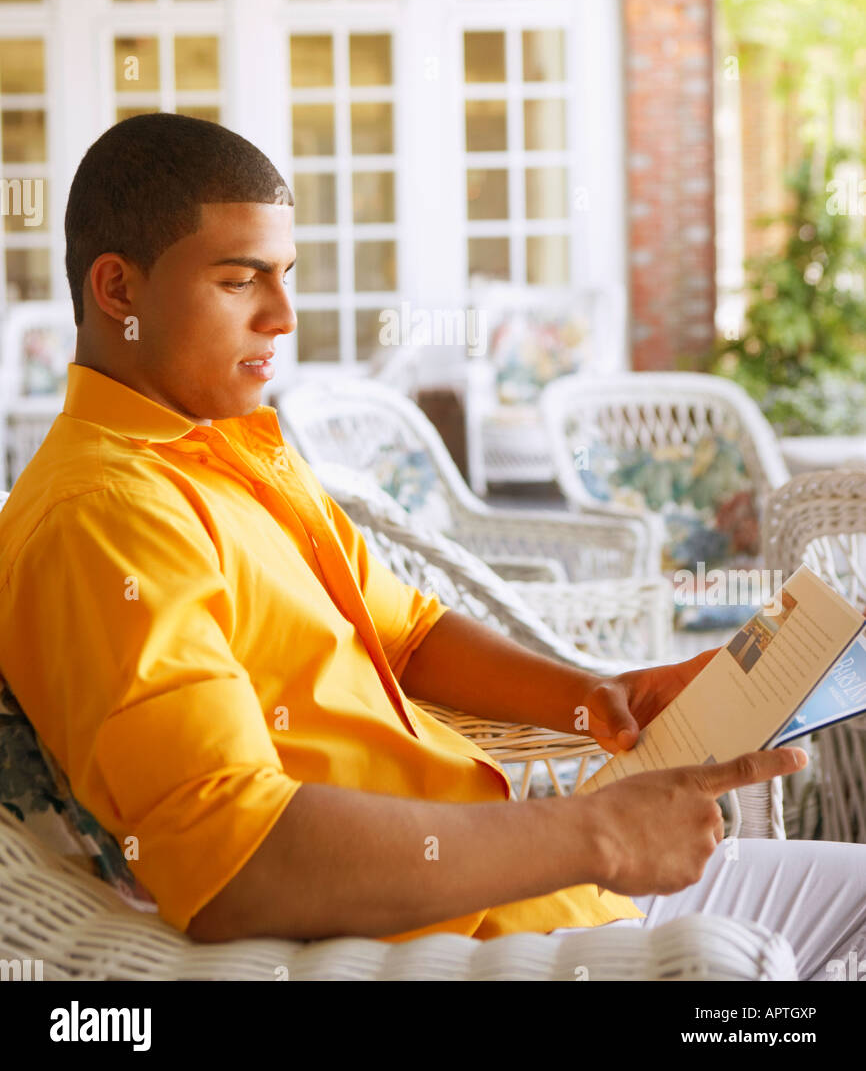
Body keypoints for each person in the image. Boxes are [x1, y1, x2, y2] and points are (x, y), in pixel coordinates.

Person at [0, 113, 863, 979]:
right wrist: (593, 834)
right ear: (117, 290)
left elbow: (407, 632)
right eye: (240, 281)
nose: (285, 315)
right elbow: (237, 863)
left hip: (537, 880)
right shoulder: (107, 516)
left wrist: (599, 695)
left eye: (288, 275)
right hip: (465, 939)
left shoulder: (230, 447)